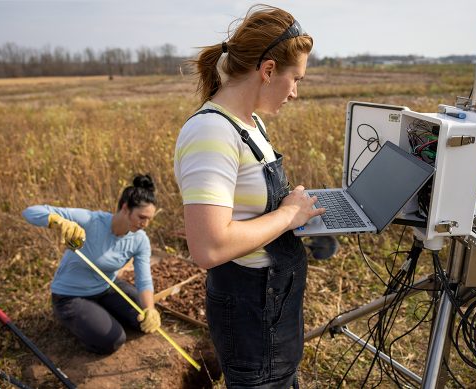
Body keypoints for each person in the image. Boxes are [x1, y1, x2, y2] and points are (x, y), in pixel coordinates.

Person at [174, 5, 324, 388]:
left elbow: (248, 204)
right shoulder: (212, 133)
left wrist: (299, 210)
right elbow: (208, 247)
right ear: (269, 70)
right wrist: (289, 216)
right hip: (251, 314)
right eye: (295, 79)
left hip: (271, 307)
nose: (295, 93)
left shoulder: (250, 123)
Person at [22, 174, 161, 355]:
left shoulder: (140, 240)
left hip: (107, 286)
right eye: (142, 217)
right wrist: (58, 221)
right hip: (71, 295)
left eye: (149, 219)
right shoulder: (90, 221)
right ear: (125, 208)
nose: (145, 224)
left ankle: (99, 312)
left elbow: (144, 279)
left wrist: (150, 309)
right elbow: (29, 212)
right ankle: (76, 317)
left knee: (143, 319)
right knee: (113, 340)